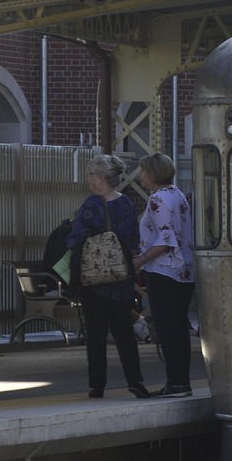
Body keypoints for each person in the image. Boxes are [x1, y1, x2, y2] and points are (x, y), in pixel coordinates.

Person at [66, 155, 150, 399]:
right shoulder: (126, 203)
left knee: (96, 333)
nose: (88, 178)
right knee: (124, 331)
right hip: (121, 277)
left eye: (91, 174)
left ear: (101, 178)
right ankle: (135, 381)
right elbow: (134, 239)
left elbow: (75, 238)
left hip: (94, 279)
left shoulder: (92, 204)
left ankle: (97, 385)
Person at [133, 153, 195, 397]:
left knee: (166, 328)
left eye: (143, 171)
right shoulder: (177, 195)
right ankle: (182, 382)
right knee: (179, 327)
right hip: (185, 272)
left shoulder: (157, 198)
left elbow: (166, 239)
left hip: (163, 270)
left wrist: (140, 260)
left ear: (152, 174)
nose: (140, 176)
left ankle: (175, 382)